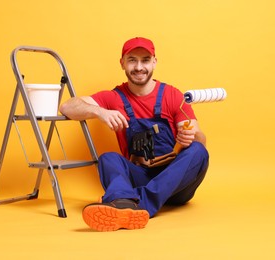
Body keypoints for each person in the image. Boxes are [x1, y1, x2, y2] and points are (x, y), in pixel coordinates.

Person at [59, 37, 209, 232]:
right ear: (122, 63)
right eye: (132, 60)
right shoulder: (113, 97)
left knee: (198, 151)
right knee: (108, 158)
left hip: (176, 184)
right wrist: (100, 112)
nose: (139, 67)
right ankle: (123, 202)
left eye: (145, 60)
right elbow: (67, 106)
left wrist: (190, 138)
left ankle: (136, 202)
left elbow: (201, 142)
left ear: (154, 62)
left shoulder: (173, 96)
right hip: (141, 174)